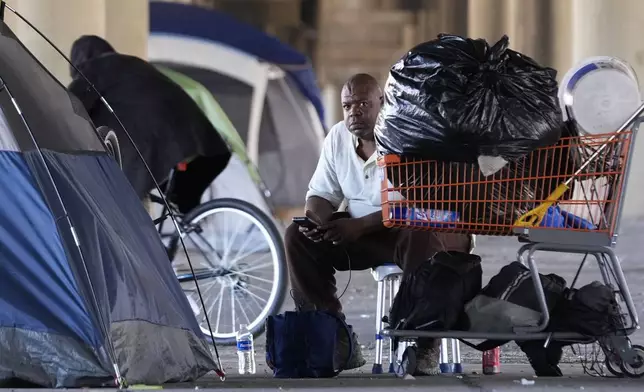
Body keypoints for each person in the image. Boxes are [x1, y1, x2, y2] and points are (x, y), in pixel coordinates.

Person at [284, 73, 473, 375]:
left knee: (417, 232)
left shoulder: (408, 134)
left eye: (362, 103)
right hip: (372, 234)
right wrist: (315, 221)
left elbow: (419, 206)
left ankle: (423, 344)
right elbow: (321, 193)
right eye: (347, 106)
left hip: (432, 231)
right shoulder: (338, 138)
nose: (354, 112)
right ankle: (332, 336)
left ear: (381, 103)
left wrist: (359, 227)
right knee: (297, 236)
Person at [67, 35, 231, 214]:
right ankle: (189, 219)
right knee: (177, 199)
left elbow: (71, 107)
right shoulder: (134, 64)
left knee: (128, 197)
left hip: (152, 143)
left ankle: (143, 237)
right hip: (196, 135)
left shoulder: (92, 70)